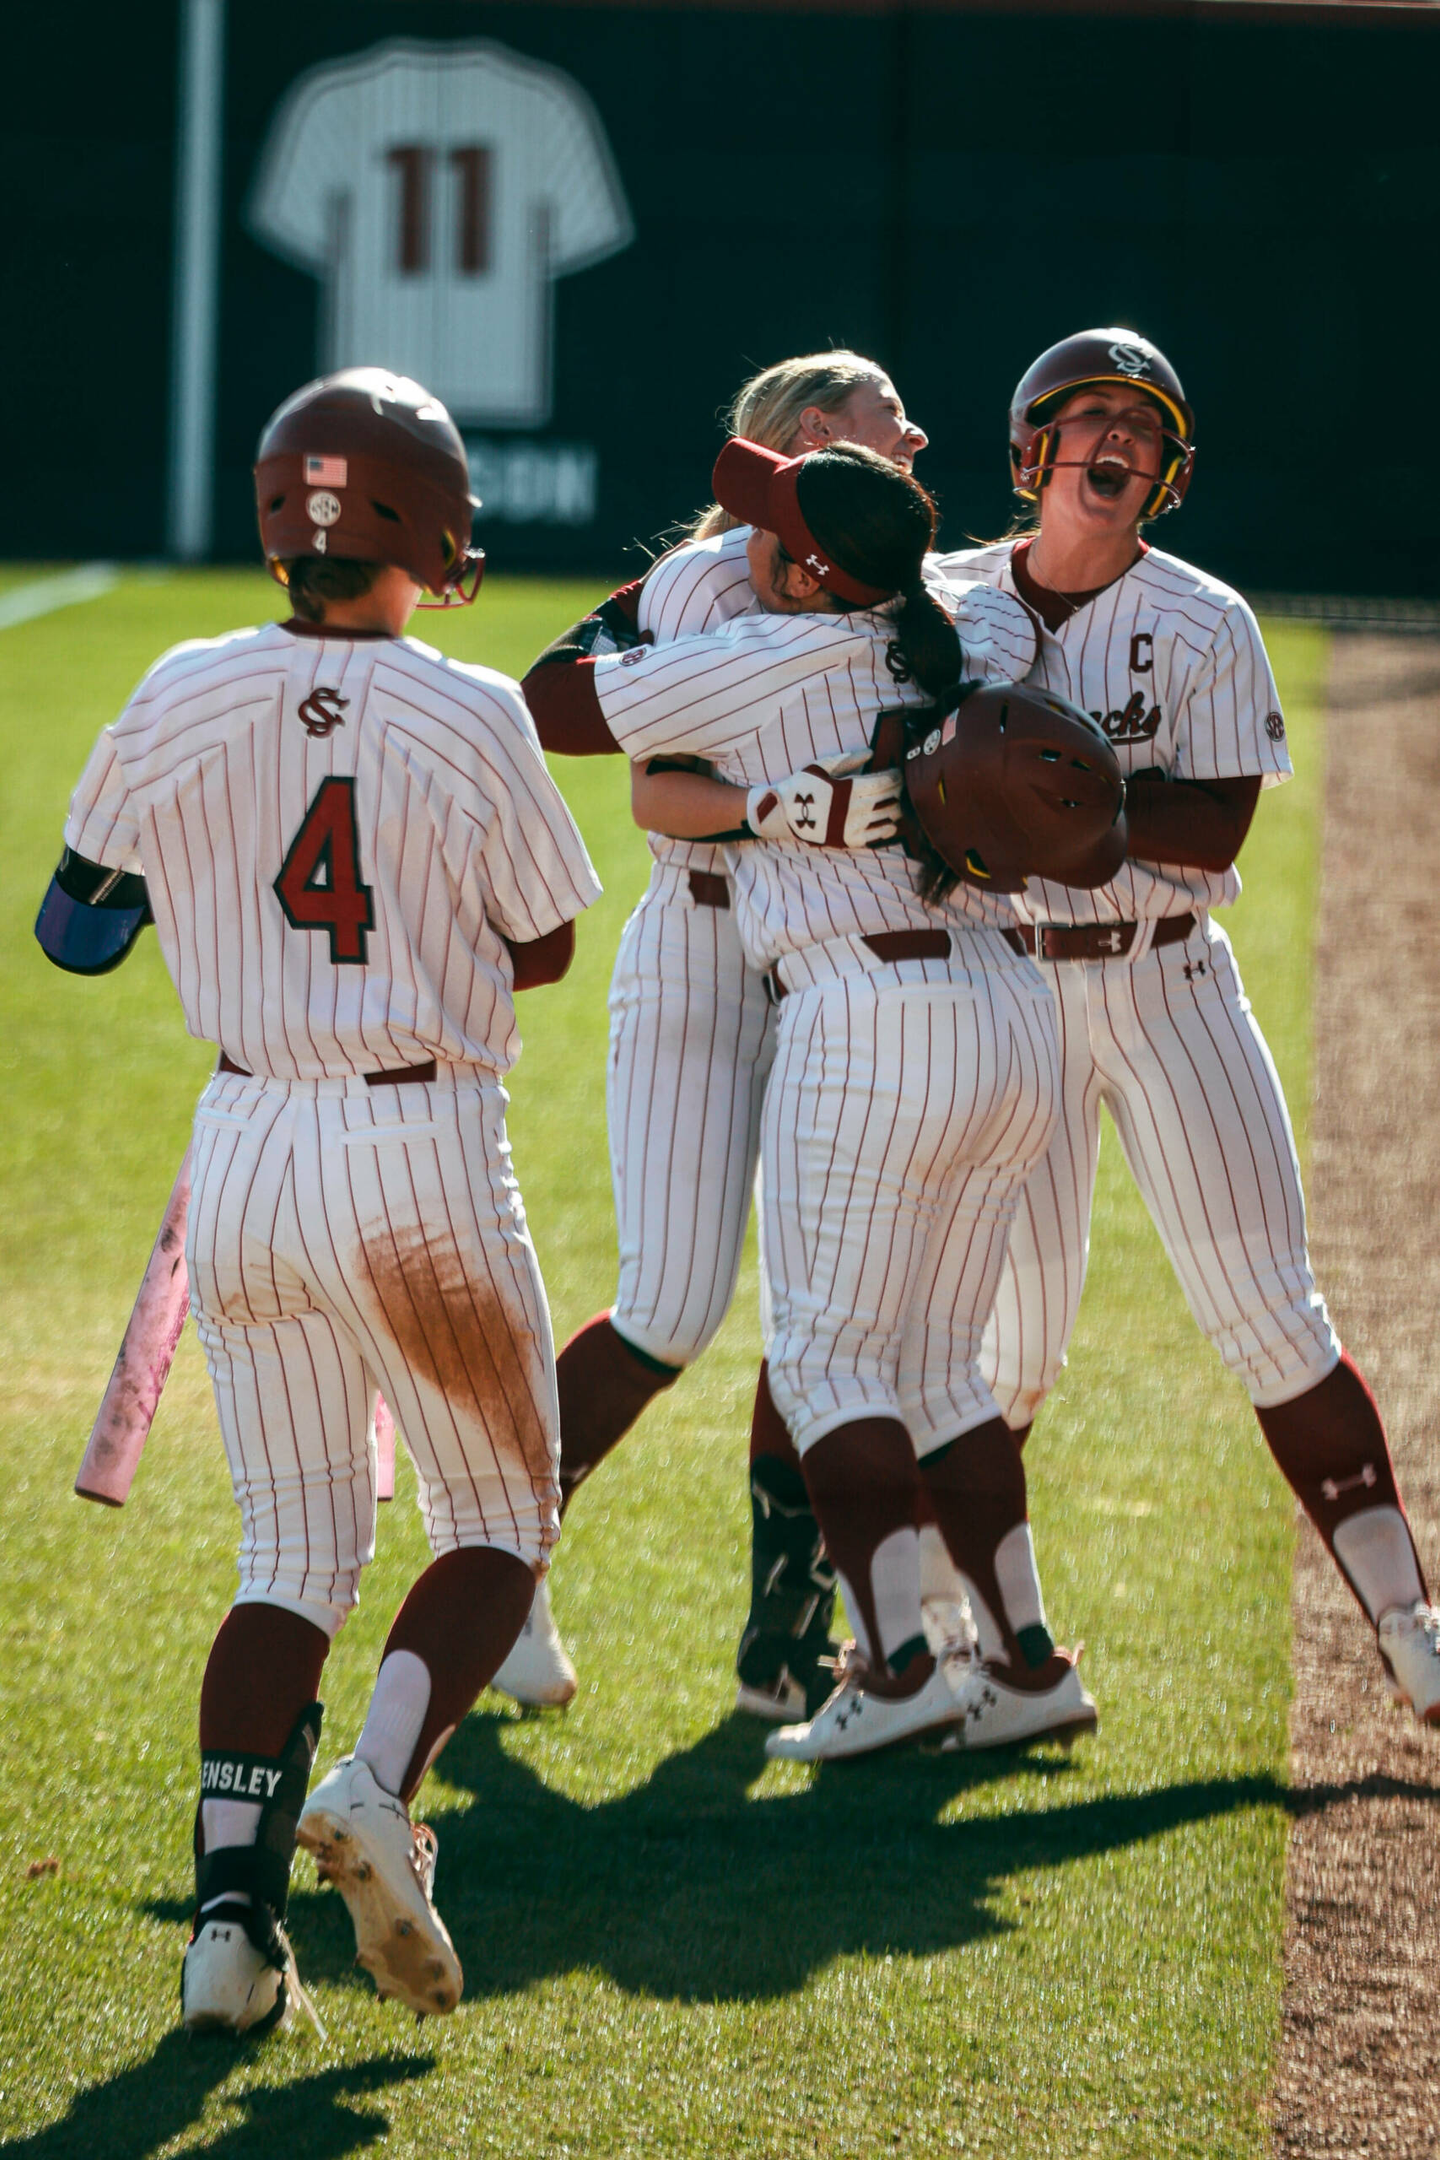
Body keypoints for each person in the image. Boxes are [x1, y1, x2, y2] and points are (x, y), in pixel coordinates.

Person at [36, 367, 602, 2034]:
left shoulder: (177, 682)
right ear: (427, 528)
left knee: (287, 1549)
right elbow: (549, 943)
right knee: (500, 1524)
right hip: (415, 1144)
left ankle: (229, 1934)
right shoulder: (471, 706)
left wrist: (202, 894)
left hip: (245, 1150)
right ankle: (372, 1781)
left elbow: (74, 932)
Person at [557, 432, 1099, 1759]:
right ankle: (1029, 1665)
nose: (741, 543)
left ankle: (900, 1667)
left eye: (768, 531)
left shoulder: (766, 651)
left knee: (824, 1363)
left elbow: (554, 709)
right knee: (936, 1368)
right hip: (1012, 1009)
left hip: (868, 1012)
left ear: (807, 573)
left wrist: (757, 788)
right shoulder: (981, 630)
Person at [936, 328, 1440, 1724]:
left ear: (1170, 470)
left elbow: (1216, 821)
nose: (1117, 445)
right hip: (1005, 991)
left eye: (1143, 432)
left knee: (1274, 1318)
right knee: (1005, 1354)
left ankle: (1410, 1622)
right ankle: (983, 1652)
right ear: (1033, 447)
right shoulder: (945, 600)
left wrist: (1054, 797)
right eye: (1091, 420)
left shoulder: (1207, 618)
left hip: (1166, 981)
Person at [504, 352, 956, 1724]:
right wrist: (779, 804)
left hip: (831, 958)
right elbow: (634, 772)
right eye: (891, 410)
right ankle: (500, 1551)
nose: (919, 429)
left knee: (823, 1305)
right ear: (817, 437)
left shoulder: (905, 577)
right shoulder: (704, 581)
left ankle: (783, 1635)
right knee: (672, 1303)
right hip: (709, 942)